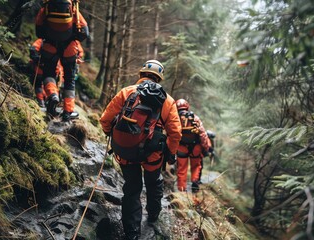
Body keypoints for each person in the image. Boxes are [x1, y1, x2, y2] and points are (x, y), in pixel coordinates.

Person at [100, 60, 181, 240]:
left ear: (141, 75)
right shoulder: (168, 100)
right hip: (152, 153)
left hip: (127, 150)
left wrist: (110, 133)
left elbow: (105, 118)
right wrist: (171, 153)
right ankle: (153, 215)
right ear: (158, 79)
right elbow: (175, 133)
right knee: (154, 182)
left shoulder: (127, 92)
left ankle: (132, 233)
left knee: (132, 188)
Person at [35, 0, 89, 121]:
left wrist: (49, 35)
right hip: (69, 49)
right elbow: (85, 32)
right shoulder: (73, 9)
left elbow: (38, 32)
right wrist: (73, 37)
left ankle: (53, 95)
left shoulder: (45, 9)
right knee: (69, 80)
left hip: (49, 47)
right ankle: (68, 112)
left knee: (48, 74)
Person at [175, 99, 211, 193]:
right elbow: (203, 135)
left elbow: (171, 134)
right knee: (196, 166)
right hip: (196, 147)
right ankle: (195, 182)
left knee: (181, 169)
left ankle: (182, 191)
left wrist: (171, 149)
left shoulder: (175, 118)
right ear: (187, 106)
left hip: (181, 147)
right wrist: (206, 148)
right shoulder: (195, 118)